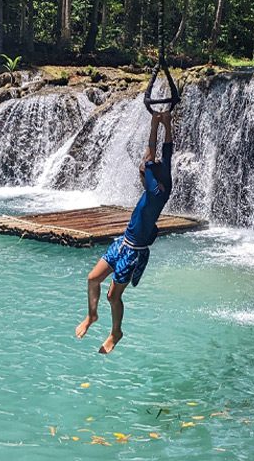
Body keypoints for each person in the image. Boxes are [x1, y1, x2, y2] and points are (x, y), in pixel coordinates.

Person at [75, 110, 174, 354]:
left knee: (113, 296)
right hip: (123, 242)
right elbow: (165, 152)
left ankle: (116, 332)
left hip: (134, 252)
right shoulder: (164, 182)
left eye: (143, 172)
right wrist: (164, 124)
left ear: (147, 177)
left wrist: (154, 127)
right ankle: (92, 316)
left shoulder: (154, 191)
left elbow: (150, 154)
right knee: (92, 278)